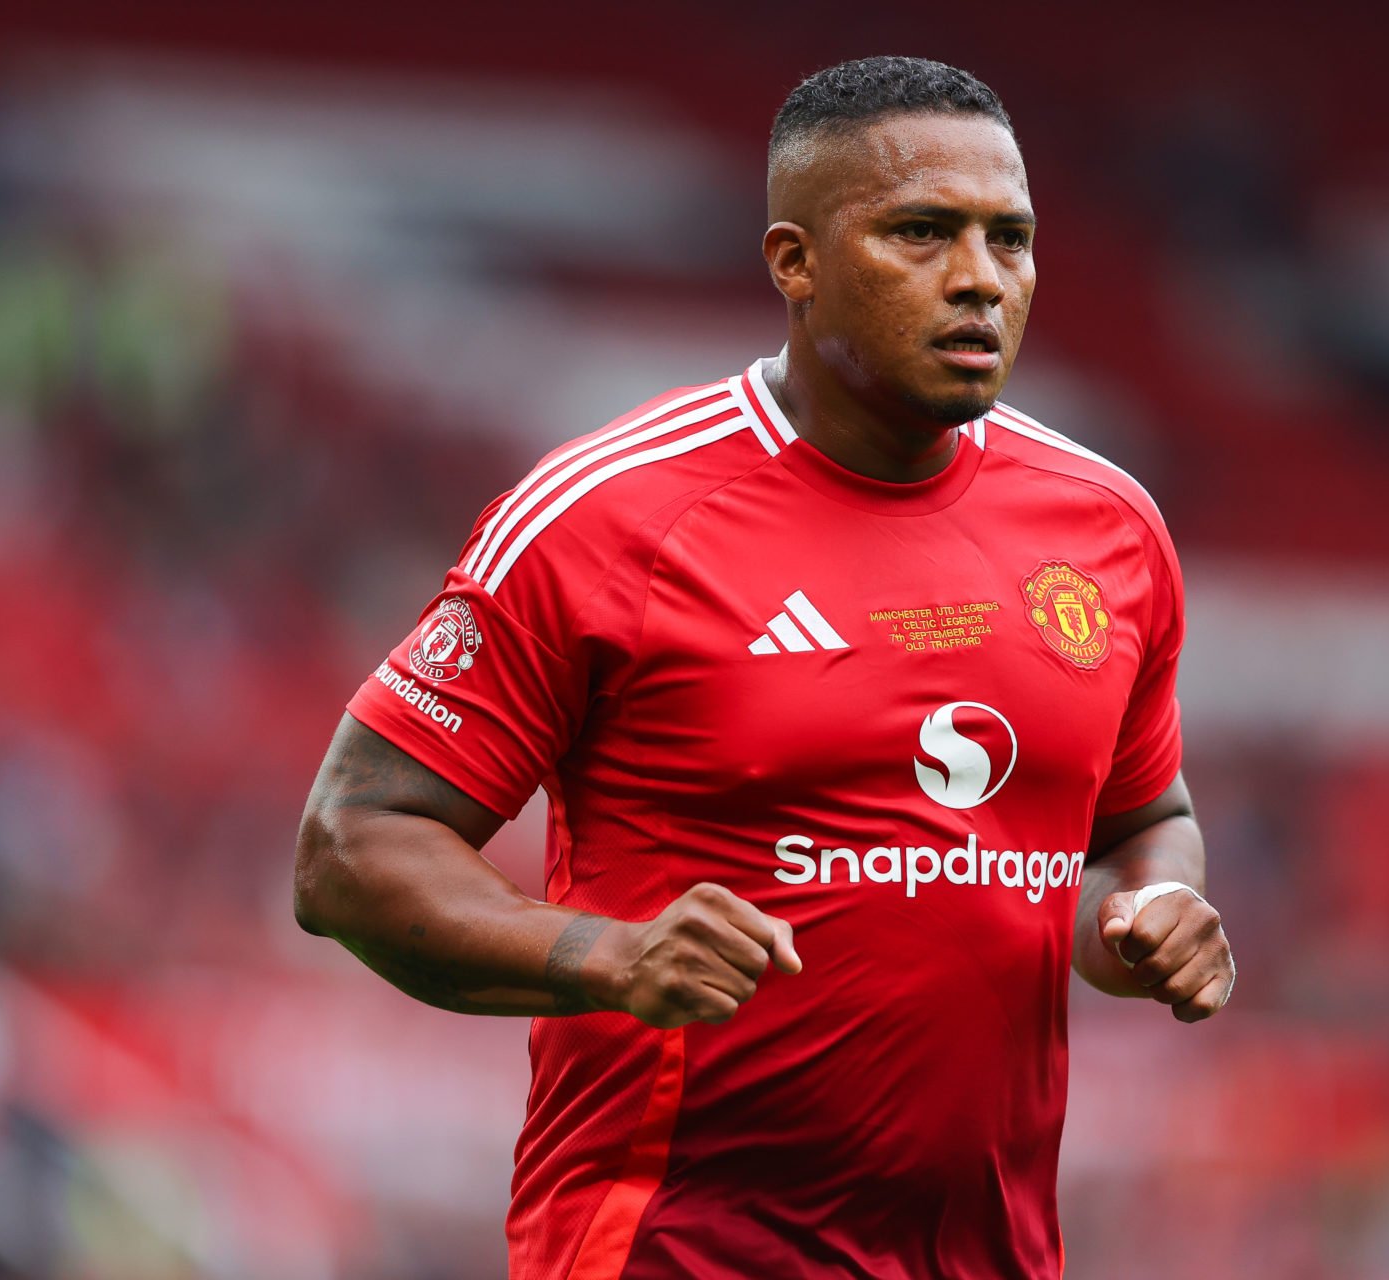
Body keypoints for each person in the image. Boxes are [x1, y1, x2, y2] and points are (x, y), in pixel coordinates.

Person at [294, 55, 1235, 1280]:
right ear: (794, 261)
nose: (979, 278)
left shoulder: (1109, 527)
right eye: (922, 233)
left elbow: (1141, 819)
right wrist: (612, 956)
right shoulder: (611, 515)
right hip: (673, 1248)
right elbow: (351, 846)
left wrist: (1147, 911)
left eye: (1010, 238)